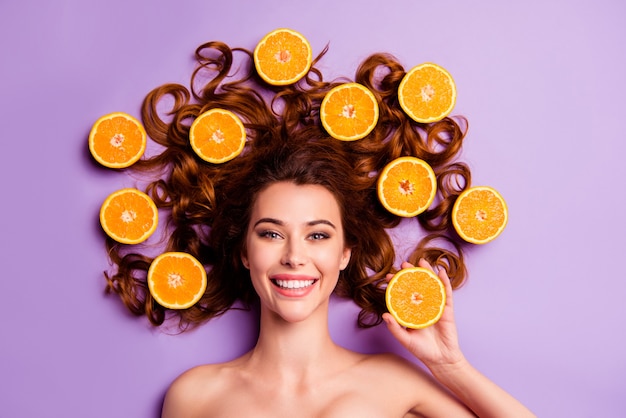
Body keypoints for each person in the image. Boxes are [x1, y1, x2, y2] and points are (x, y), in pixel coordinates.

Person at [103, 39, 535, 417]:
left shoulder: (391, 384)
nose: (294, 255)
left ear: (345, 252)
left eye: (318, 235)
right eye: (271, 233)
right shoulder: (194, 397)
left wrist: (450, 367)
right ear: (243, 251)